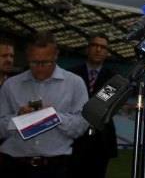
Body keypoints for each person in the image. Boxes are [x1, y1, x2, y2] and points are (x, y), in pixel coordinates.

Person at [0, 31, 89, 178]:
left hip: (55, 168)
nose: (40, 67)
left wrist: (55, 117)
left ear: (56, 55)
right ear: (27, 57)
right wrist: (18, 118)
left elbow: (81, 126)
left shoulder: (75, 83)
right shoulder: (10, 85)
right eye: (34, 62)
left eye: (46, 62)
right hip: (15, 166)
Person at [67, 33, 118, 178]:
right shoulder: (70, 74)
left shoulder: (114, 78)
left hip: (101, 141)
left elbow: (107, 104)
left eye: (102, 47)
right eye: (95, 45)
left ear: (107, 52)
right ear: (87, 49)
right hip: (75, 139)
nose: (98, 49)